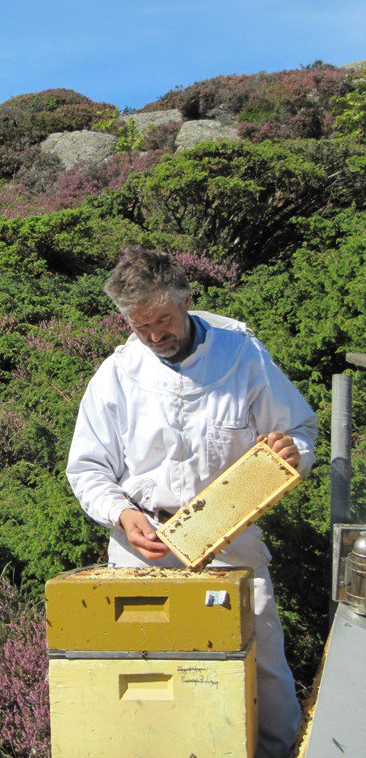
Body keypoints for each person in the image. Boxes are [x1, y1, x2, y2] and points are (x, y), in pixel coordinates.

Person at [66, 247, 317, 758]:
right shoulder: (115, 374)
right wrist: (122, 513)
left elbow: (296, 430)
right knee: (148, 674)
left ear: (186, 299)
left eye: (163, 319)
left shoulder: (242, 354)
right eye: (141, 326)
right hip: (143, 551)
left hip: (231, 541)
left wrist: (293, 450)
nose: (156, 336)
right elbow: (87, 469)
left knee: (263, 669)